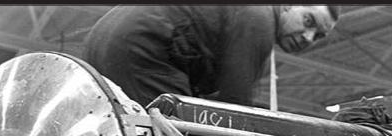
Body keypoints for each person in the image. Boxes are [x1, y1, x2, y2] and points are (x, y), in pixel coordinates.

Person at [83, 5, 342, 107]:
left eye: (319, 36)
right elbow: (235, 100)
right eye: (309, 21)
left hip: (102, 41)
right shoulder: (258, 18)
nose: (308, 37)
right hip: (143, 47)